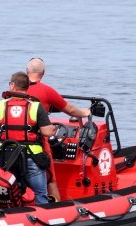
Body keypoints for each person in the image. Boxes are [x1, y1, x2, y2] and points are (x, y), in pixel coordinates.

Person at [25, 57, 90, 201]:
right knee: (51, 178)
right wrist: (84, 113)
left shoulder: (15, 91)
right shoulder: (46, 91)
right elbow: (71, 110)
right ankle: (56, 209)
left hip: (12, 145)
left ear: (26, 71)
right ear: (43, 72)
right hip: (38, 143)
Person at [0, 71, 55, 204]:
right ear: (27, 86)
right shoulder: (35, 106)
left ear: (12, 86)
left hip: (7, 157)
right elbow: (47, 132)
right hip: (31, 157)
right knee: (40, 194)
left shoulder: (1, 105)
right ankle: (43, 219)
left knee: (11, 193)